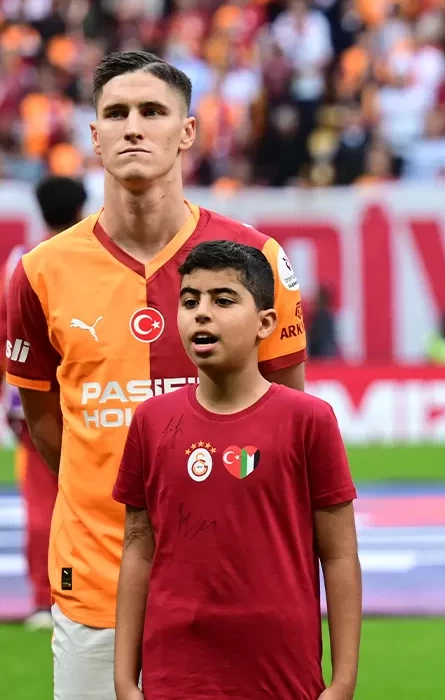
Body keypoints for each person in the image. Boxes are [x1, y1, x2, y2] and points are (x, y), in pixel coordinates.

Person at [4, 51, 308, 699]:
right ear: (94, 137)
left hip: (230, 582)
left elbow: (289, 425)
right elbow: (45, 426)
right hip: (93, 581)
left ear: (187, 131)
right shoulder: (39, 273)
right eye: (116, 114)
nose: (134, 127)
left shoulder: (256, 257)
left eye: (152, 111)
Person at [112, 240, 359, 700]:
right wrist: (125, 680)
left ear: (266, 323)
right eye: (190, 301)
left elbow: (340, 555)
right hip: (176, 676)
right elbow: (137, 549)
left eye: (223, 300)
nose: (202, 314)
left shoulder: (309, 420)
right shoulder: (150, 421)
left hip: (282, 675)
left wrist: (343, 682)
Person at [0, 175, 86, 631]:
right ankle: (84, 591)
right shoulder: (93, 259)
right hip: (87, 395)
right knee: (91, 496)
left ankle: (43, 598)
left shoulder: (21, 262)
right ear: (82, 210)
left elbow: (5, 333)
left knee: (41, 500)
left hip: (30, 396)